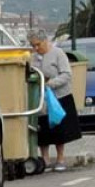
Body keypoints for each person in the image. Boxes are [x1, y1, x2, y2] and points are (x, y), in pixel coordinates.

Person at [27, 29, 82, 172]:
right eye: (33, 46)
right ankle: (45, 158)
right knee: (43, 128)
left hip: (59, 96)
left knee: (59, 129)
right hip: (40, 98)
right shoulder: (33, 57)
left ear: (45, 41)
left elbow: (66, 75)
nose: (36, 48)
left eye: (38, 45)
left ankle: (60, 158)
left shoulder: (58, 54)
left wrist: (51, 83)